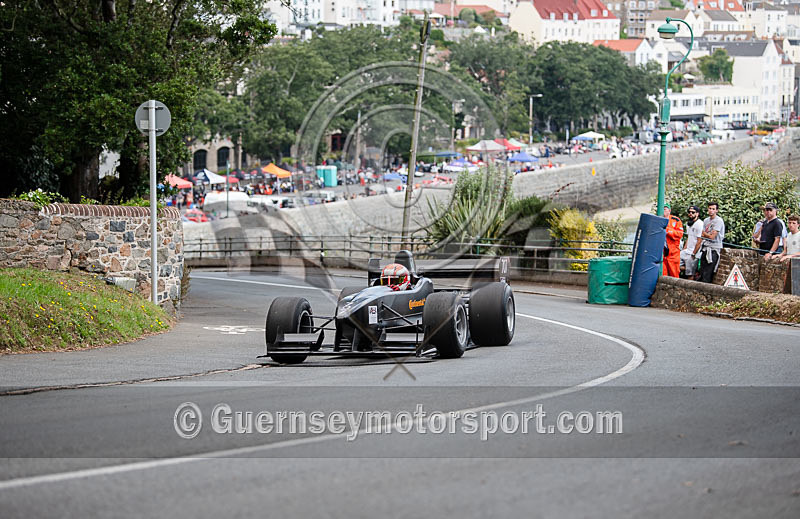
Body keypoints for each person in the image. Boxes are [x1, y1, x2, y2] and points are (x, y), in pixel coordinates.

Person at [693, 202, 725, 283]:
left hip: (714, 249)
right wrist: (706, 234)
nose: (711, 210)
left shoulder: (718, 221)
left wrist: (705, 234)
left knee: (708, 273)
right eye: (710, 208)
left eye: (713, 209)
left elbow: (712, 237)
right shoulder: (706, 220)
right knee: (701, 272)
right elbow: (702, 235)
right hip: (705, 247)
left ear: (716, 210)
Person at [680, 205, 704, 278]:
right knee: (674, 264)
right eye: (689, 212)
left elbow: (699, 240)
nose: (690, 214)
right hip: (687, 251)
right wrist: (684, 249)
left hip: (693, 252)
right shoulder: (689, 224)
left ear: (697, 214)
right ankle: (695, 271)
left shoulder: (699, 224)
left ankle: (694, 272)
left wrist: (694, 253)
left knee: (689, 274)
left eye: (693, 212)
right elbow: (689, 237)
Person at [662, 203, 684, 277]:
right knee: (663, 275)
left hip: (673, 252)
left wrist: (668, 230)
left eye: (664, 209)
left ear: (669, 210)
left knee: (674, 274)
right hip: (662, 253)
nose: (663, 211)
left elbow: (679, 234)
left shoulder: (676, 220)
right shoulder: (657, 221)